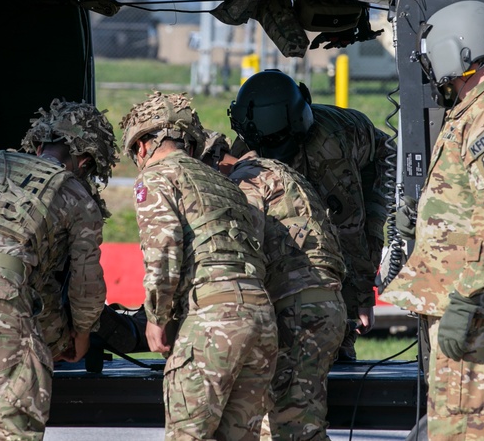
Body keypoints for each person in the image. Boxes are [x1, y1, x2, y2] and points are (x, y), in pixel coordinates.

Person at [381, 0, 484, 441]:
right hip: (482, 312)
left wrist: (466, 300)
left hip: (479, 315)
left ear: (459, 52)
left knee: (464, 433)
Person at [0, 99, 117, 441]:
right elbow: (85, 284)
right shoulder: (74, 192)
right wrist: (82, 335)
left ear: (39, 143)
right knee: (14, 423)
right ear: (84, 160)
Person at [120, 92, 277, 441]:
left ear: (144, 144)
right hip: (261, 319)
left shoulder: (157, 178)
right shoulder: (224, 184)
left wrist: (157, 318)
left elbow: (164, 251)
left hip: (212, 319)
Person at [228, 69, 390, 361]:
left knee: (343, 235)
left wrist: (363, 300)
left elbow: (350, 232)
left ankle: (339, 344)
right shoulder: (248, 146)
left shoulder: (330, 149)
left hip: (372, 167)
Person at [201, 130, 347, 441]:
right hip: (320, 304)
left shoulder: (246, 181)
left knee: (293, 427)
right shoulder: (276, 170)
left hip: (298, 310)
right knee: (290, 422)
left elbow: (246, 256)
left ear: (215, 163)